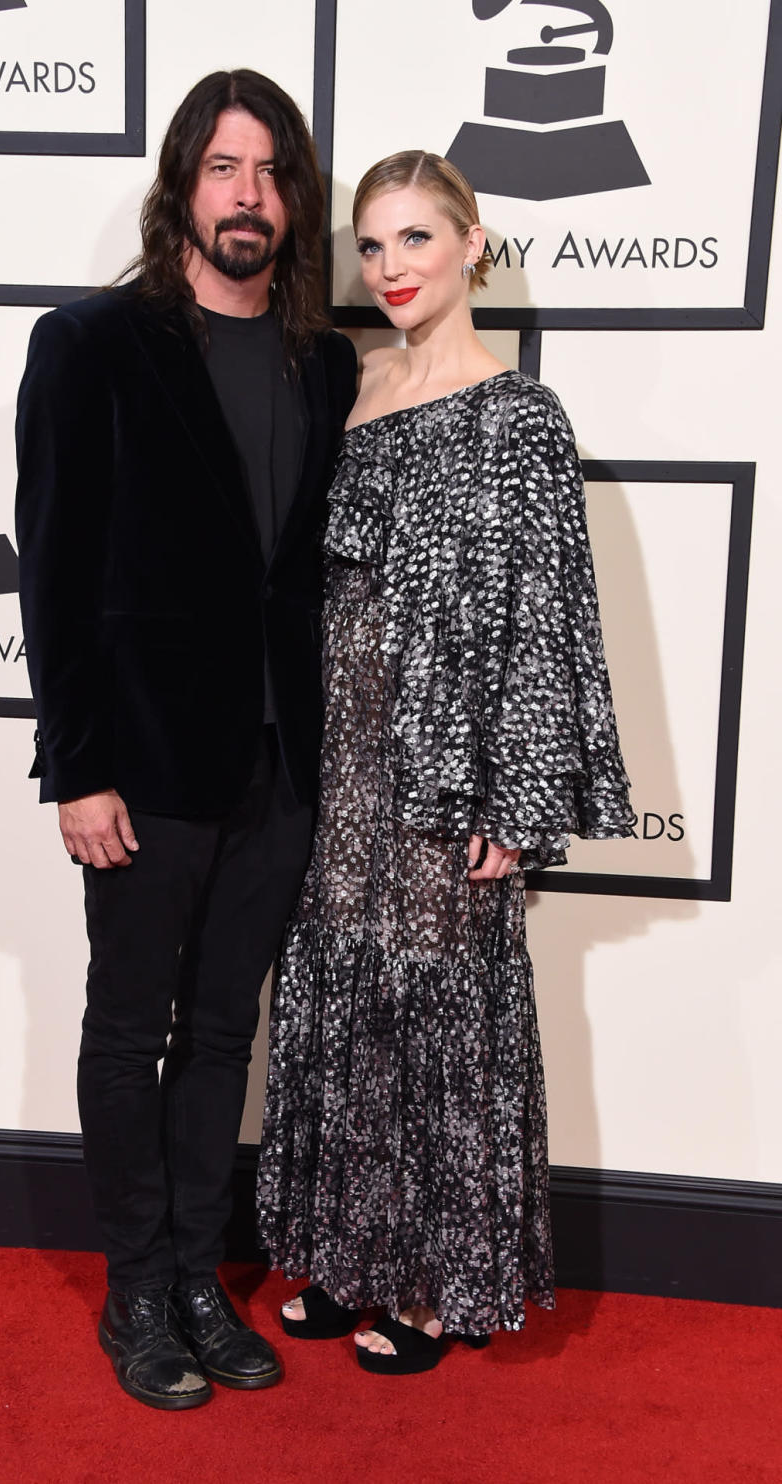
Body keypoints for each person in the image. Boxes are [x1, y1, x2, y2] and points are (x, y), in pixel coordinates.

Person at [257, 150, 634, 1374]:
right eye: (372, 247)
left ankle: (440, 1284)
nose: (392, 269)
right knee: (345, 996)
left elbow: (550, 613)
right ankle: (355, 1251)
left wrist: (519, 801)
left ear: (473, 244)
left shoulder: (522, 414)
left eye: (416, 240)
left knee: (437, 1010)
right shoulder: (354, 385)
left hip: (449, 765)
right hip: (342, 755)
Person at [15, 70, 357, 1410]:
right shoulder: (93, 344)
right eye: (225, 167)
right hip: (143, 769)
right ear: (183, 185)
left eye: (271, 173)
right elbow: (53, 570)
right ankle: (136, 1287)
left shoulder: (322, 358)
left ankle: (201, 1280)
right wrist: (77, 762)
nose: (250, 195)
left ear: (293, 201)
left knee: (225, 1034)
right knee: (126, 1029)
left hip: (281, 771)